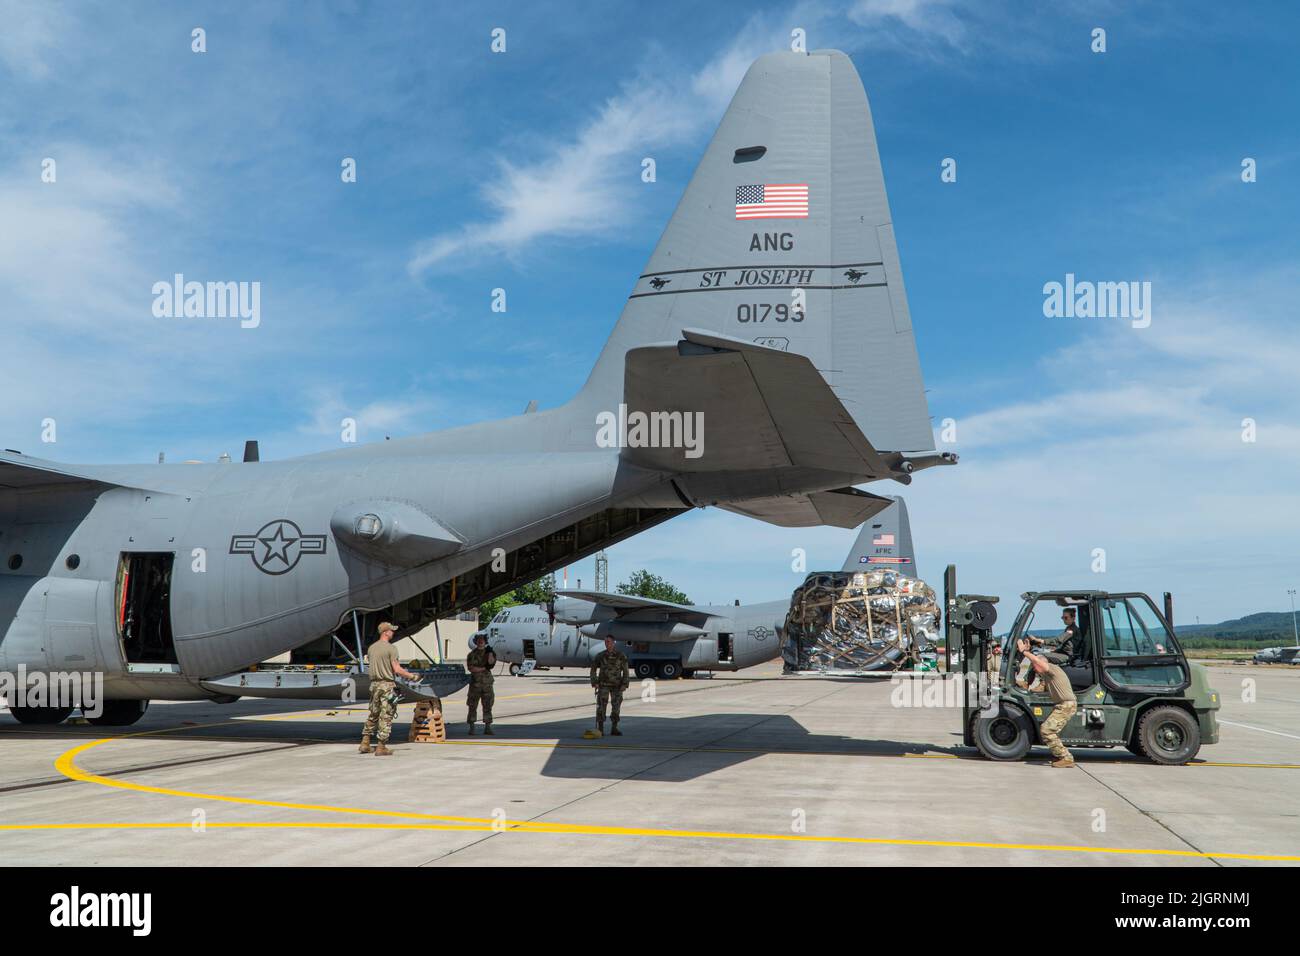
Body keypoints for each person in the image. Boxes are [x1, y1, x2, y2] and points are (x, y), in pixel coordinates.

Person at [1016, 637, 1078, 768]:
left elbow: (1038, 661)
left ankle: (1066, 757)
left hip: (1066, 705)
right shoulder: (1047, 675)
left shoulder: (1052, 669)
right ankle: (1060, 755)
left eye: (1034, 666)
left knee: (1046, 730)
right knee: (1048, 729)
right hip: (1062, 705)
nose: (1034, 668)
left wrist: (1025, 652)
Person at [360, 622, 419, 756]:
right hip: (387, 685)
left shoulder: (371, 648)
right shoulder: (391, 648)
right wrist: (412, 676)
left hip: (374, 685)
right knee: (386, 715)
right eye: (391, 630)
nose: (393, 632)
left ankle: (365, 742)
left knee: (373, 713)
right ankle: (381, 747)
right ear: (385, 632)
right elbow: (397, 669)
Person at [589, 636, 629, 737]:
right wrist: (594, 682)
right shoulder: (601, 656)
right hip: (603, 686)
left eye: (609, 641)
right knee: (601, 708)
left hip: (617, 686)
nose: (607, 643)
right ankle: (601, 729)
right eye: (606, 642)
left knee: (616, 707)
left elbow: (625, 671)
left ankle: (614, 728)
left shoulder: (621, 656)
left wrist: (625, 684)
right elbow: (593, 669)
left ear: (614, 643)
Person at [465, 632, 497, 735]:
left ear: (485, 642)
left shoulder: (489, 653)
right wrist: (483, 668)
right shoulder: (472, 654)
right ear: (476, 642)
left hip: (487, 685)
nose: (480, 642)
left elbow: (491, 663)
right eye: (479, 640)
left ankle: (488, 727)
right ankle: (472, 727)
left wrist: (491, 653)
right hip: (475, 684)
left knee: (488, 706)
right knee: (472, 706)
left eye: (482, 640)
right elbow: (471, 668)